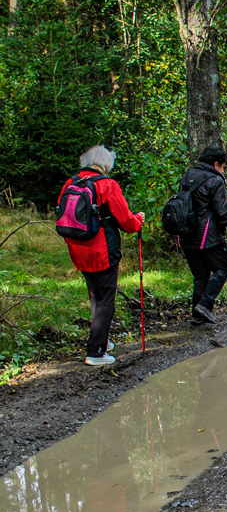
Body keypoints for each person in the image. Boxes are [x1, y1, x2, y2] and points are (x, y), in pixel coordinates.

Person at [58, 145, 145, 366]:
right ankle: (96, 352)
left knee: (95, 295)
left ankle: (102, 341)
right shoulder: (107, 185)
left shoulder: (71, 183)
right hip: (102, 252)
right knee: (106, 300)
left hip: (78, 250)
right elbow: (125, 220)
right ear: (106, 164)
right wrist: (138, 221)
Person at [178, 146, 227, 325]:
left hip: (186, 235)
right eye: (223, 167)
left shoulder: (188, 176)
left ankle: (197, 316)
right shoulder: (215, 180)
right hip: (207, 237)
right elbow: (222, 213)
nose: (223, 171)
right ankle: (204, 305)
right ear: (216, 164)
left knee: (201, 275)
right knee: (223, 267)